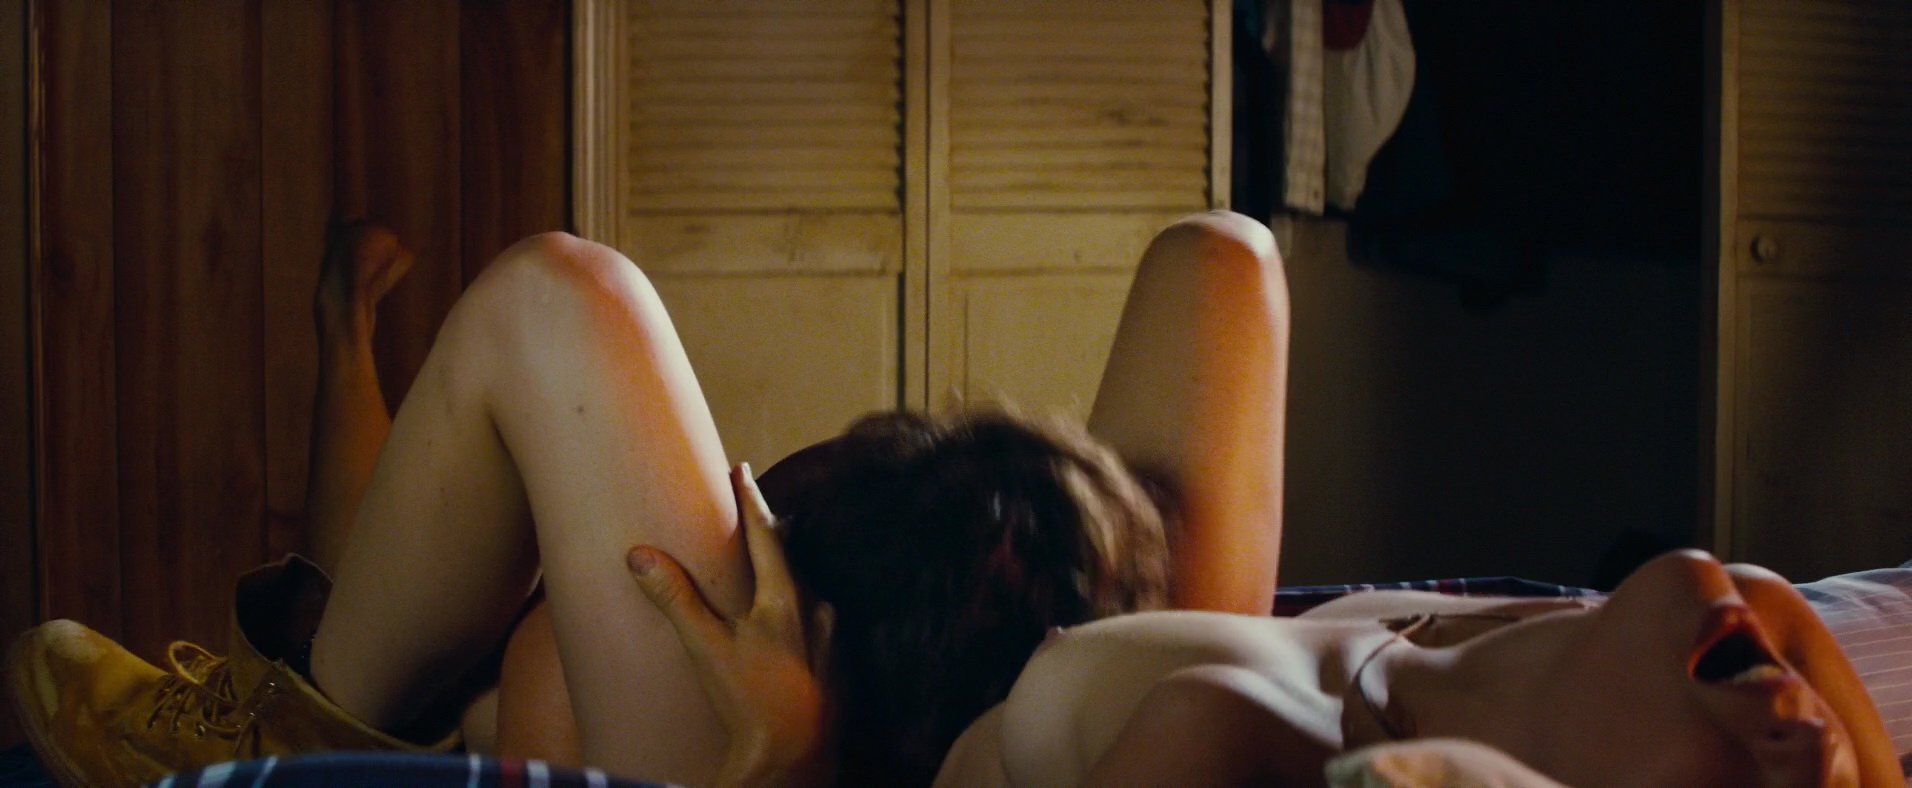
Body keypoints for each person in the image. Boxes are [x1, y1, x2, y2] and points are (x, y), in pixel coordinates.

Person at [6, 211, 1289, 786]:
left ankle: (278, 723)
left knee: (556, 301)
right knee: (1222, 253)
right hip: (998, 653)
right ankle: (345, 341)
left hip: (773, 742)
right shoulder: (1203, 693)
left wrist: (789, 765)